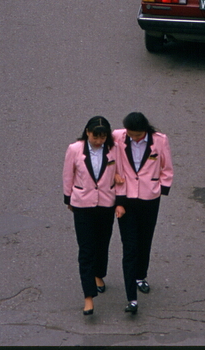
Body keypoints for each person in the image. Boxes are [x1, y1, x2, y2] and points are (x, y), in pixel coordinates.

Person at [113, 112, 173, 315]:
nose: (135, 138)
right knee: (129, 246)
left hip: (150, 198)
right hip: (126, 199)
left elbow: (167, 168)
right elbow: (106, 156)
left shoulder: (160, 140)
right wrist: (114, 175)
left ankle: (141, 276)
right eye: (131, 135)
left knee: (145, 239)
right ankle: (131, 297)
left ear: (145, 130)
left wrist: (161, 189)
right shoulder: (117, 137)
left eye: (138, 135)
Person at [63, 115, 123, 317]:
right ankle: (88, 296)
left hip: (106, 203)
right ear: (87, 132)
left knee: (102, 243)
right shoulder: (75, 149)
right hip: (82, 204)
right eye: (95, 136)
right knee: (86, 249)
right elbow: (68, 175)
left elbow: (120, 171)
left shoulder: (114, 149)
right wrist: (68, 199)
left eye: (102, 137)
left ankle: (99, 274)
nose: (98, 141)